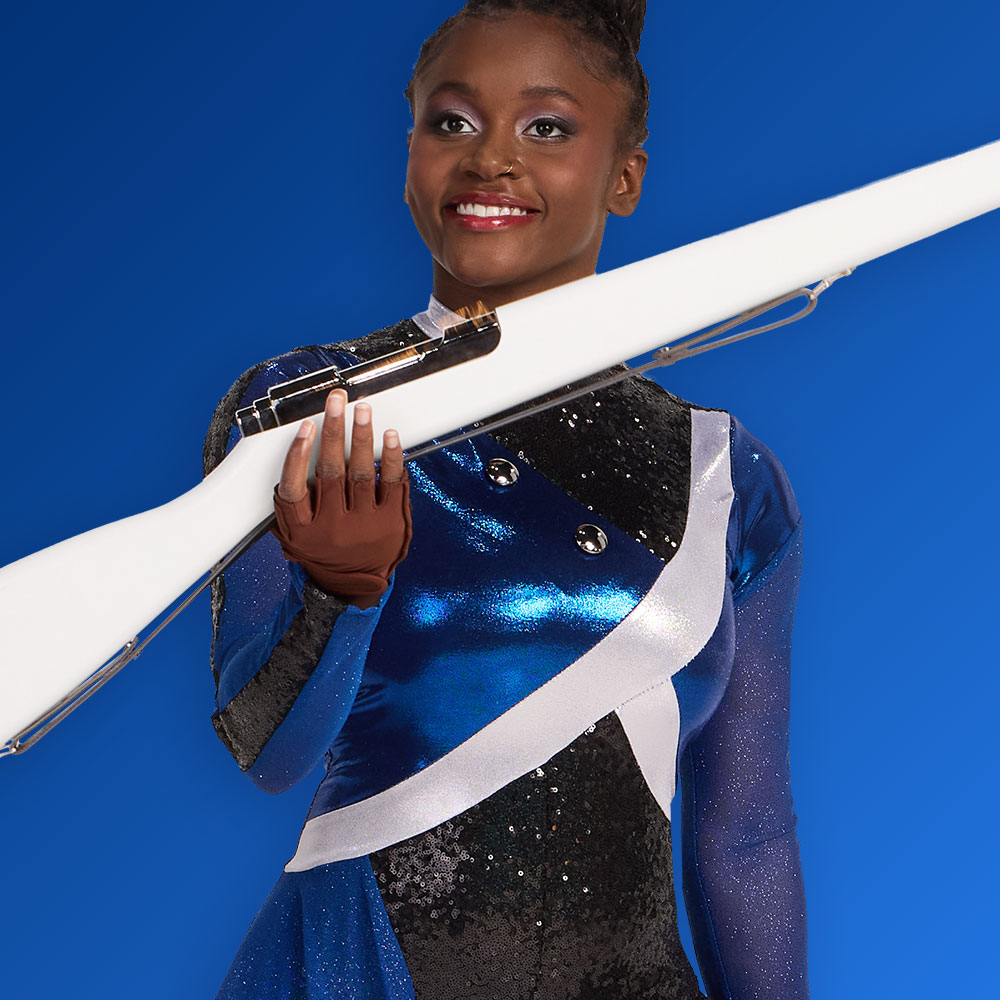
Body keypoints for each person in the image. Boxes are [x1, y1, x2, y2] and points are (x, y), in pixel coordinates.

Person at [204, 2, 808, 998]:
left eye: (546, 127)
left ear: (625, 174)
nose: (490, 159)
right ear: (408, 154)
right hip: (360, 970)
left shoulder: (724, 476)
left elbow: (744, 834)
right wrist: (341, 592)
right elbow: (267, 752)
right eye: (451, 121)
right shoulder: (306, 410)